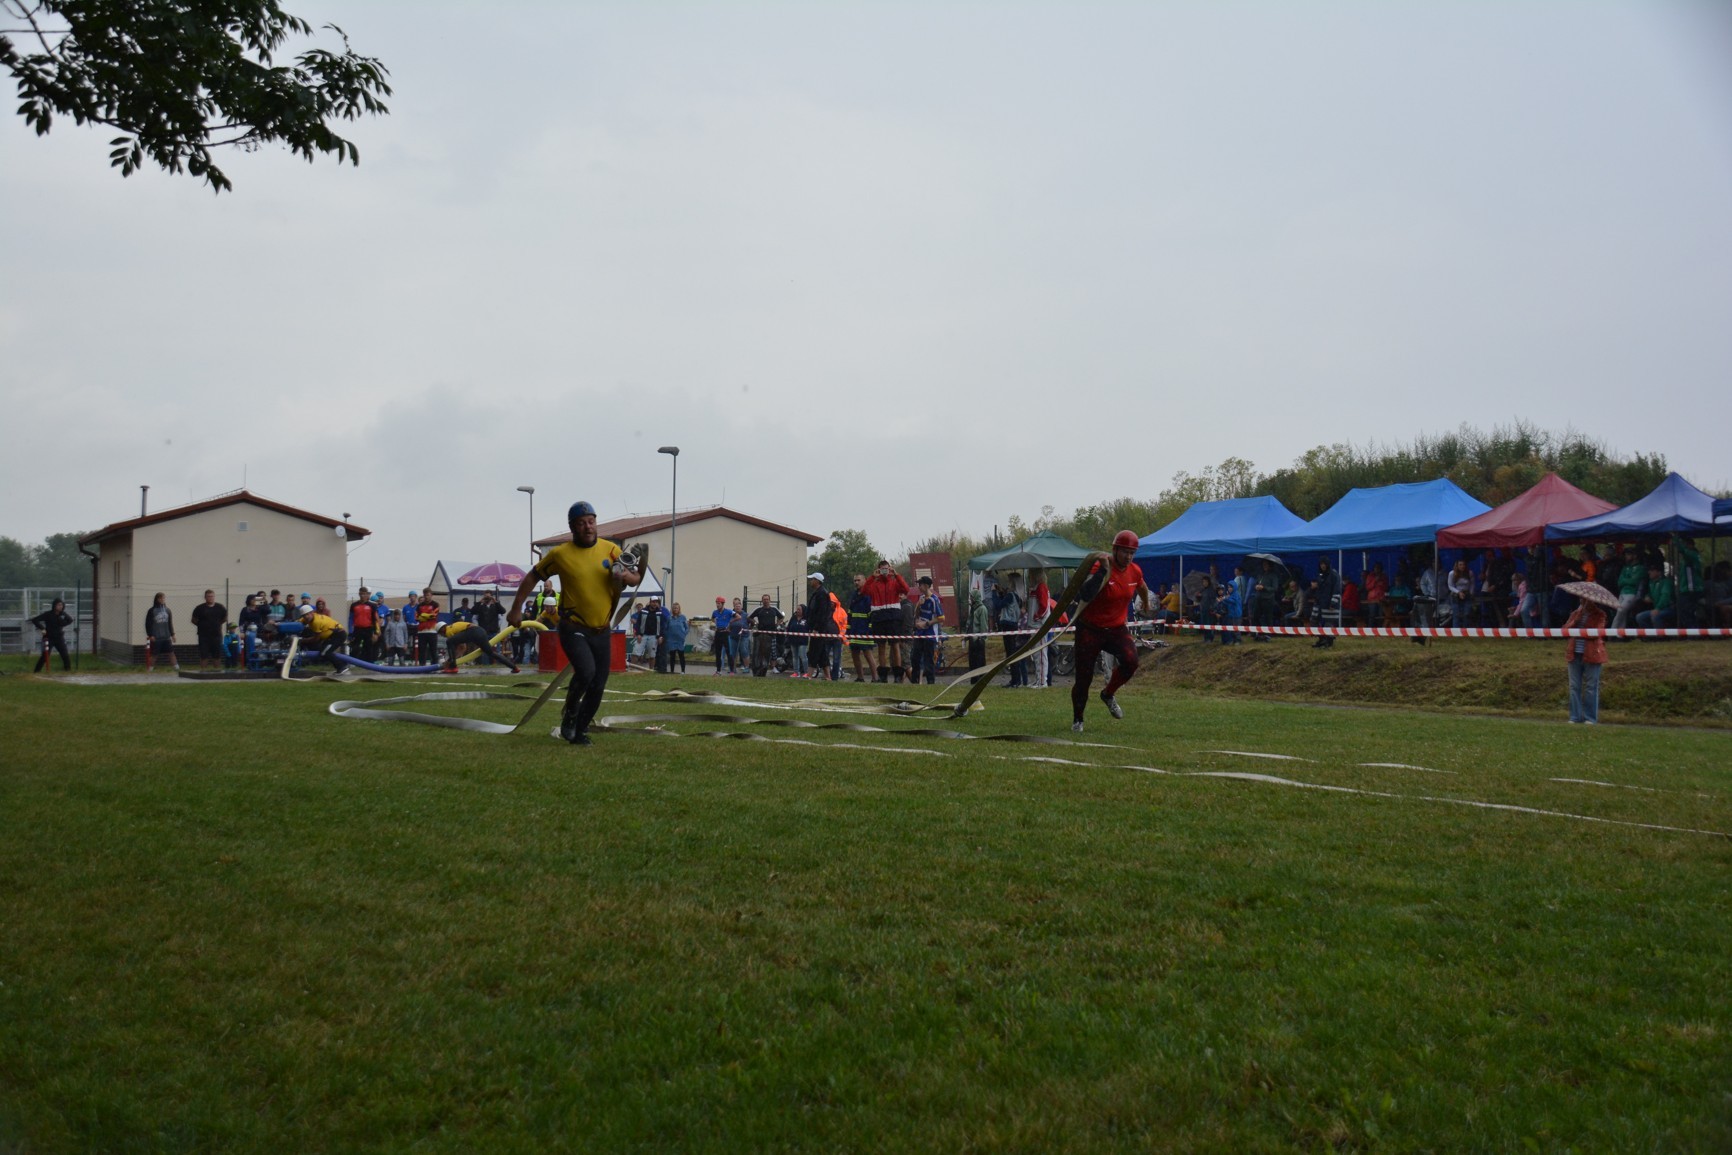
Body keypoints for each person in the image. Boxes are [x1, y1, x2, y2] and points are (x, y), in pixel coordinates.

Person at [508, 500, 642, 745]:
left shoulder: (610, 549)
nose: (588, 527)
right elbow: (532, 577)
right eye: (581, 523)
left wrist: (626, 576)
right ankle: (570, 712)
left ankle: (579, 731)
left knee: (598, 685)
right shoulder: (560, 554)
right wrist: (516, 608)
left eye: (591, 521)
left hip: (601, 630)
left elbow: (635, 576)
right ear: (572, 527)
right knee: (586, 672)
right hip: (573, 627)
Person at [1071, 531, 1154, 733]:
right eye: (1125, 552)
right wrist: (1103, 571)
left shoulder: (1134, 570)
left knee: (1131, 661)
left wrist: (1145, 602)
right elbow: (1084, 594)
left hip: (1116, 628)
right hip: (1090, 628)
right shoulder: (1100, 566)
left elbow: (1141, 586)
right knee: (1084, 677)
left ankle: (1108, 694)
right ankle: (1078, 719)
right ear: (1115, 550)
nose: (1128, 557)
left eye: (1132, 553)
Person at [863, 559, 911, 683]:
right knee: (881, 646)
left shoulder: (894, 582)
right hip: (879, 618)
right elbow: (864, 591)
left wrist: (897, 575)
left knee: (895, 645)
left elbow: (906, 589)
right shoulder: (874, 584)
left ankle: (898, 675)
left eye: (887, 569)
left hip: (893, 617)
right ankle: (883, 675)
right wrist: (872, 577)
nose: (884, 571)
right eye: (882, 569)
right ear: (879, 570)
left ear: (890, 569)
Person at [1563, 594, 1609, 724]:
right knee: (1574, 686)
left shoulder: (1600, 614)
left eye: (1585, 599)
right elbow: (1565, 631)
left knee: (1591, 686)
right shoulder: (1575, 614)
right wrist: (1575, 620)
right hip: (1574, 654)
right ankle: (1575, 716)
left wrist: (1582, 631)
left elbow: (1598, 633)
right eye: (1581, 598)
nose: (1582, 601)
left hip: (1592, 654)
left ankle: (1590, 718)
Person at [437, 619, 521, 674]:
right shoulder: (453, 627)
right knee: (491, 653)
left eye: (440, 633)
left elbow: (456, 646)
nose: (442, 635)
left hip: (473, 632)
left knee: (449, 641)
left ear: (442, 629)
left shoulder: (448, 631)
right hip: (480, 631)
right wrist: (451, 660)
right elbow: (462, 647)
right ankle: (514, 667)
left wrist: (450, 662)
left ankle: (453, 667)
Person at [908, 575, 944, 685]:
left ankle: (930, 682)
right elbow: (916, 614)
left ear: (927, 586)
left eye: (921, 584)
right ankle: (914, 681)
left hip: (930, 633)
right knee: (915, 657)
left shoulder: (934, 600)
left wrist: (927, 623)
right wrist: (919, 605)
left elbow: (941, 618)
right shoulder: (921, 598)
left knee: (928, 659)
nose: (919, 587)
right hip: (920, 633)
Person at [804, 573, 837, 680]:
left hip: (819, 629)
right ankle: (828, 676)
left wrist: (816, 628)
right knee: (822, 653)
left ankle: (809, 675)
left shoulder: (821, 594)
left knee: (813, 651)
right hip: (817, 628)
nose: (810, 581)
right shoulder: (818, 593)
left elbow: (821, 613)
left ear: (817, 581)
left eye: (812, 579)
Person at [298, 603, 348, 670]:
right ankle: (341, 667)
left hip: (338, 635)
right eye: (304, 615)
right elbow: (297, 623)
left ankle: (342, 667)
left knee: (325, 652)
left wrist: (302, 640)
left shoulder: (316, 622)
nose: (306, 617)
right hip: (331, 636)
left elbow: (316, 639)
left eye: (307, 614)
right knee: (323, 651)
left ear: (312, 612)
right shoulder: (308, 618)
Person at [185, 589, 226, 671]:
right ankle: (203, 672)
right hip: (203, 636)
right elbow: (193, 620)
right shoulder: (199, 608)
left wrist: (216, 624)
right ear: (205, 597)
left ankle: (217, 672)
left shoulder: (220, 607)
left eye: (212, 596)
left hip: (216, 635)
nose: (210, 598)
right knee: (204, 655)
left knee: (217, 655)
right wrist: (202, 625)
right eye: (208, 596)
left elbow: (224, 618)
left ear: (214, 597)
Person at [847, 574, 877, 682]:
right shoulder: (854, 595)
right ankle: (860, 677)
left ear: (864, 581)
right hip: (854, 629)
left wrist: (870, 629)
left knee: (868, 653)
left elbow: (872, 614)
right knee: (854, 654)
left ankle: (875, 678)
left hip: (865, 630)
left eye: (858, 580)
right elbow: (850, 613)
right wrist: (848, 629)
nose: (856, 582)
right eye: (855, 580)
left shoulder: (868, 595)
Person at [31, 598, 73, 671]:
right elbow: (35, 620)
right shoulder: (48, 614)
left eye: (61, 605)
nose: (60, 607)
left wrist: (63, 623)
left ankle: (68, 671)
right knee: (45, 656)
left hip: (59, 638)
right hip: (49, 637)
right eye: (58, 605)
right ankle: (36, 671)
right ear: (54, 606)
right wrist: (42, 628)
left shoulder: (63, 614)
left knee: (65, 654)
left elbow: (70, 620)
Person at [747, 594, 784, 676]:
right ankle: (761, 667)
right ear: (762, 600)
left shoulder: (774, 609)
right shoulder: (758, 609)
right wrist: (755, 623)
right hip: (761, 635)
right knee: (762, 652)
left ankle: (774, 667)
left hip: (772, 633)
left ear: (770, 600)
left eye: (767, 599)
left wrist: (777, 624)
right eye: (764, 599)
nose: (766, 601)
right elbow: (749, 617)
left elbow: (781, 617)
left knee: (773, 652)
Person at [348, 587, 378, 661]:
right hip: (357, 629)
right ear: (359, 594)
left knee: (368, 647)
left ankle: (369, 664)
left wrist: (376, 633)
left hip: (368, 629)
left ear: (367, 595)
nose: (362, 596)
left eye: (364, 594)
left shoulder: (372, 605)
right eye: (361, 594)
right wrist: (350, 631)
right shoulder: (354, 605)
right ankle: (352, 662)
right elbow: (351, 619)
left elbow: (375, 620)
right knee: (355, 647)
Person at [415, 592, 442, 665]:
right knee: (422, 651)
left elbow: (434, 615)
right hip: (421, 632)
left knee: (433, 650)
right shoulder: (419, 606)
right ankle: (422, 667)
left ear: (431, 595)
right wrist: (427, 616)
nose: (426, 597)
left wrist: (423, 615)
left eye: (428, 595)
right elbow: (416, 617)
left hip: (432, 631)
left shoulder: (435, 604)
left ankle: (434, 666)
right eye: (425, 595)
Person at [710, 597, 736, 673]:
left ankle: (731, 670)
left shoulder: (728, 611)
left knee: (729, 652)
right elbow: (712, 619)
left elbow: (738, 617)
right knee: (718, 653)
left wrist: (730, 622)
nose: (717, 605)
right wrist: (715, 622)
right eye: (716, 603)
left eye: (719, 603)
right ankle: (718, 670)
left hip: (725, 633)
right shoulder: (715, 612)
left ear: (722, 604)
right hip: (718, 633)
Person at [965, 589, 989, 672]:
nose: (970, 599)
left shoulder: (982, 609)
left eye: (971, 597)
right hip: (972, 639)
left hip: (978, 639)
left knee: (980, 661)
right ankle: (974, 678)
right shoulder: (973, 609)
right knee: (972, 662)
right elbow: (970, 623)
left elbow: (984, 625)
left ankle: (981, 677)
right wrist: (966, 637)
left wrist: (982, 638)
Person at [665, 602, 690, 673]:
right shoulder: (669, 618)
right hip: (671, 640)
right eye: (674, 608)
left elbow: (687, 628)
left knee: (681, 655)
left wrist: (684, 634)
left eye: (677, 608)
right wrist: (667, 637)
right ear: (672, 609)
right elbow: (666, 628)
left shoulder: (683, 617)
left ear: (679, 609)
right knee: (672, 656)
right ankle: (672, 671)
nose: (675, 609)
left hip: (680, 640)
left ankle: (683, 671)